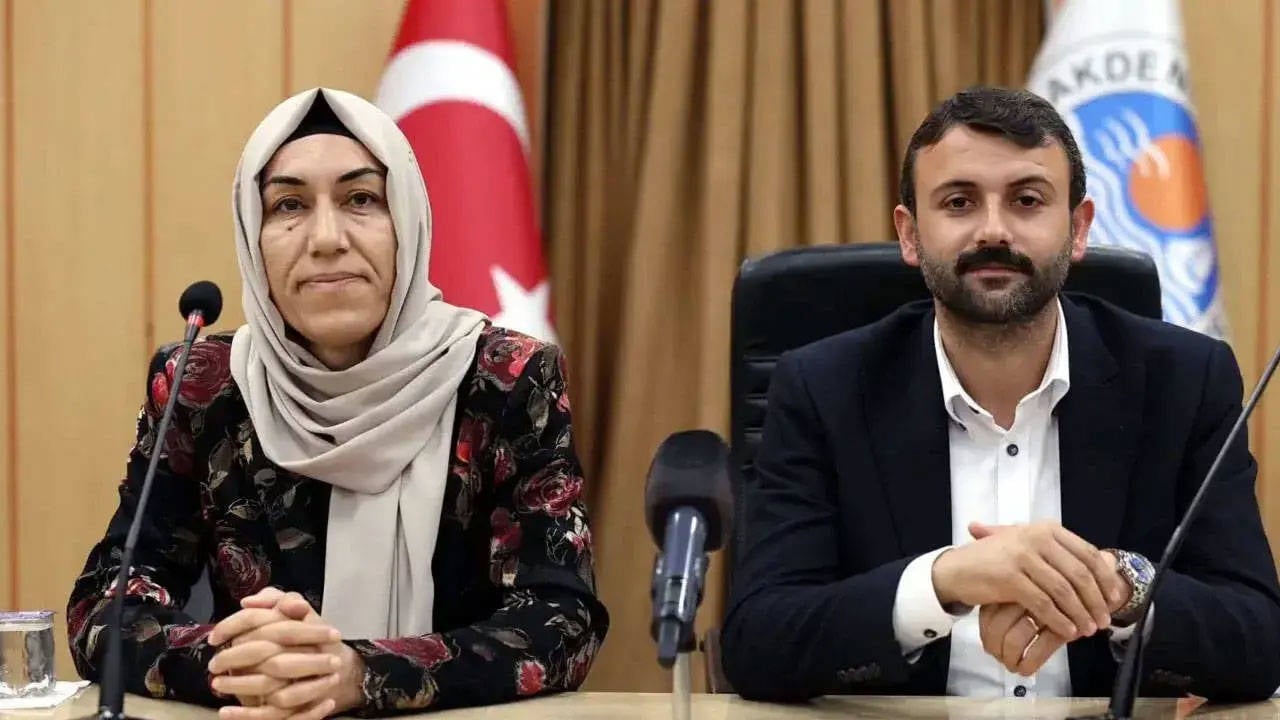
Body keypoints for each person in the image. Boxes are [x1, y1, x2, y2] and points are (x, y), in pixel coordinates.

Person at [720, 86, 1280, 702]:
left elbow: (1260, 641)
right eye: (959, 202)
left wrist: (1118, 588)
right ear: (910, 234)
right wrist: (943, 582)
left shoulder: (1185, 380)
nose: (993, 230)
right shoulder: (823, 388)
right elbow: (759, 640)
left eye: (1027, 200)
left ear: (1078, 229)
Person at [67, 88, 608, 718]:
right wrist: (245, 665)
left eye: (361, 199)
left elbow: (561, 620)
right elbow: (106, 605)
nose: (326, 238)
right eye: (289, 205)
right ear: (252, 236)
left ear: (407, 222)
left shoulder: (506, 378)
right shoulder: (203, 383)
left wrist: (359, 674)